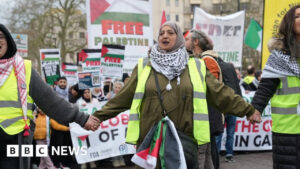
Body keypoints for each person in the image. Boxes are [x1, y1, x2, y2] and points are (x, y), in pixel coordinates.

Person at [93, 22, 261, 169]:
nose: (165, 36)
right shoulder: (144, 65)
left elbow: (220, 93)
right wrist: (98, 117)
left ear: (179, 37)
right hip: (149, 143)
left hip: (184, 142)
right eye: (161, 33)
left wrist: (247, 110)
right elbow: (122, 98)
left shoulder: (196, 66)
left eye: (170, 33)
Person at [0, 24, 100, 169]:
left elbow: (51, 101)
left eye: (1, 37)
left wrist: (81, 118)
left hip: (15, 142)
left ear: (8, 40)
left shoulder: (24, 68)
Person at [251, 5, 300, 169]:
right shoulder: (278, 57)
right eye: (298, 16)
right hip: (287, 130)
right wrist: (255, 109)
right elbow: (265, 88)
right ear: (289, 23)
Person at [185, 29, 222, 168]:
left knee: (206, 153)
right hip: (203, 116)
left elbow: (212, 88)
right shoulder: (200, 59)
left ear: (195, 42)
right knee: (206, 154)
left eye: (188, 39)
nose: (185, 42)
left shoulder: (207, 60)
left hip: (208, 115)